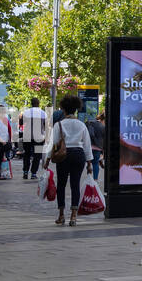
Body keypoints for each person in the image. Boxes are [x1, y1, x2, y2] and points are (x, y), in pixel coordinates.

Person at [45, 95, 92, 226]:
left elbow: (53, 144)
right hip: (78, 154)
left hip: (63, 155)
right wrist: (89, 163)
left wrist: (47, 160)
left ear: (63, 110)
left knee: (61, 184)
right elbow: (87, 145)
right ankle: (74, 216)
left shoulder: (58, 125)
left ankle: (61, 215)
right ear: (76, 109)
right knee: (75, 184)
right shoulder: (81, 125)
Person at [18, 97, 48, 180]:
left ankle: (25, 172)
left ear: (31, 103)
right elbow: (46, 126)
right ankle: (33, 173)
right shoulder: (43, 113)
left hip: (27, 137)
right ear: (38, 104)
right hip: (39, 138)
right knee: (37, 156)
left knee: (26, 154)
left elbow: (21, 123)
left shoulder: (26, 112)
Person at [85, 112, 106, 182]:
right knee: (95, 163)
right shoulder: (103, 127)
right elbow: (104, 140)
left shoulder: (90, 123)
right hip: (97, 148)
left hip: (88, 146)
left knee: (88, 163)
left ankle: (89, 179)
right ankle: (95, 180)